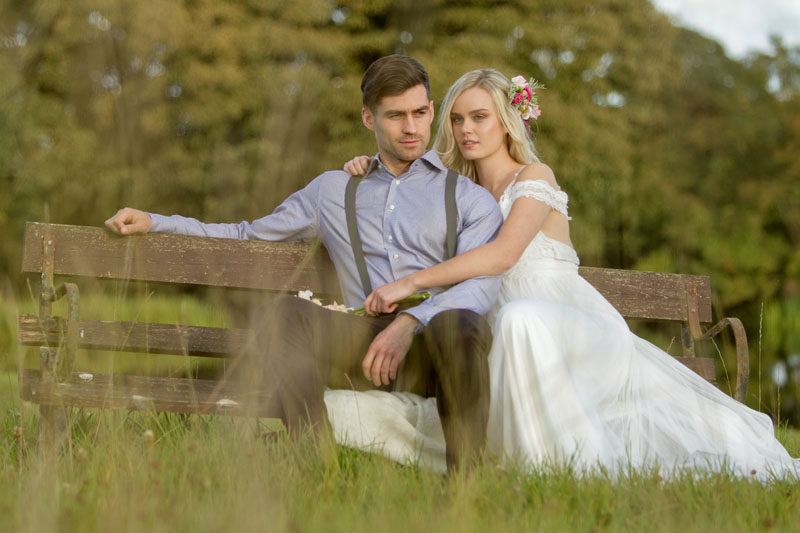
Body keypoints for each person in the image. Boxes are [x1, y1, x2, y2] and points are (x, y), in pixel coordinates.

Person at [327, 68, 800, 479]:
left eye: (479, 117)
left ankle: (557, 471)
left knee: (521, 321)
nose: (466, 129)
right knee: (503, 330)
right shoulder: (454, 193)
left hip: (571, 325)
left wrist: (412, 283)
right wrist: (370, 169)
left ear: (506, 120)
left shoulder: (535, 177)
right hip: (501, 332)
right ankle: (531, 470)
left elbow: (504, 255)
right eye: (456, 119)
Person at [104, 55, 505, 471]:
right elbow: (247, 235)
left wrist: (410, 321)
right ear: (368, 118)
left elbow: (481, 284)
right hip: (362, 346)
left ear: (432, 110)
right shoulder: (332, 190)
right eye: (396, 116)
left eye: (420, 113)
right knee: (280, 314)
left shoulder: (469, 198)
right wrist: (157, 222)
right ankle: (316, 460)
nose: (411, 128)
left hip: (436, 347)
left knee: (461, 322)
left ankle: (466, 482)